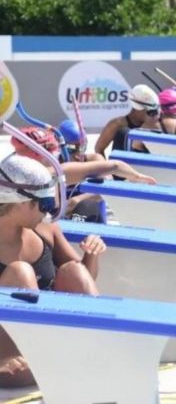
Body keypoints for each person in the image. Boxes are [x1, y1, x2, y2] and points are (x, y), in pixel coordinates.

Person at [0, 155, 102, 387]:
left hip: (51, 350)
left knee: (73, 270)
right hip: (12, 363)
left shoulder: (46, 230)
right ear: (20, 202)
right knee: (20, 273)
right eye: (46, 203)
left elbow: (84, 280)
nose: (50, 212)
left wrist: (92, 253)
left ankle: (99, 342)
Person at [11, 127, 156, 223]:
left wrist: (75, 201)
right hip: (43, 233)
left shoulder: (9, 175)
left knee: (86, 207)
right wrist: (136, 177)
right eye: (50, 148)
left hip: (38, 232)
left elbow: (114, 167)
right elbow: (115, 166)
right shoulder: (54, 172)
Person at [94, 84, 160, 156]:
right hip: (120, 165)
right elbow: (99, 149)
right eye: (152, 112)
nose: (155, 115)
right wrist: (108, 166)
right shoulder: (117, 124)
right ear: (138, 109)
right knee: (123, 133)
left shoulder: (155, 126)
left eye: (156, 111)